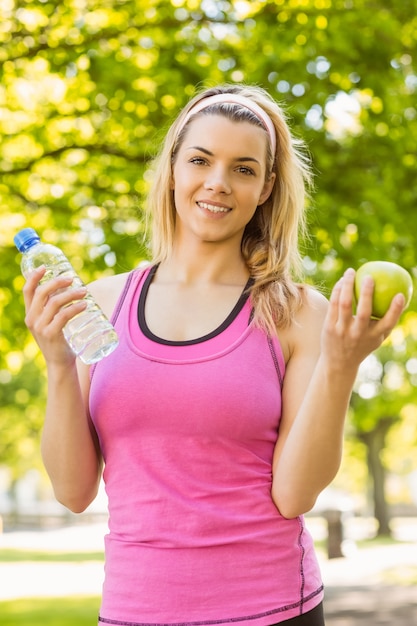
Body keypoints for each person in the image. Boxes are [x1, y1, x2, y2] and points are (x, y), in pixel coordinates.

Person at [21, 84, 405, 626]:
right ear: (173, 167)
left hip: (270, 611)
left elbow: (294, 494)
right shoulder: (100, 303)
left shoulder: (296, 312)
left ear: (266, 187)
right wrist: (58, 364)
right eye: (200, 159)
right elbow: (72, 490)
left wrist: (341, 368)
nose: (217, 183)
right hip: (134, 611)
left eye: (244, 169)